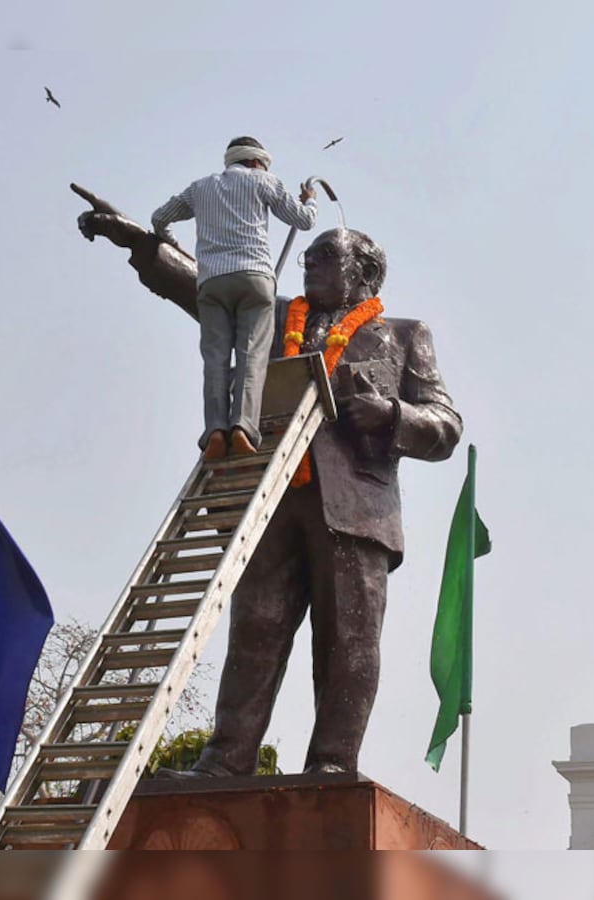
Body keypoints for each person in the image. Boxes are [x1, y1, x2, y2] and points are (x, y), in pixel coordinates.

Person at [77, 204, 462, 775]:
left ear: (366, 275)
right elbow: (204, 290)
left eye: (326, 256)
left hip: (356, 509)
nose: (309, 263)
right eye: (307, 257)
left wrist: (390, 414)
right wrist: (142, 245)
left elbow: (446, 423)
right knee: (254, 632)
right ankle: (226, 760)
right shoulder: (278, 316)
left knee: (348, 645)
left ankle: (332, 763)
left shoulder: (404, 335)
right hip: (268, 497)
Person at [151, 136, 317, 460]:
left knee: (215, 359)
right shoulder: (263, 181)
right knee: (251, 355)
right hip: (254, 278)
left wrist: (173, 244)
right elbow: (305, 221)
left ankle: (215, 429)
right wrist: (309, 200)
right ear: (257, 162)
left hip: (211, 282)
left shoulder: (200, 188)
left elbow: (159, 218)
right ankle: (242, 426)